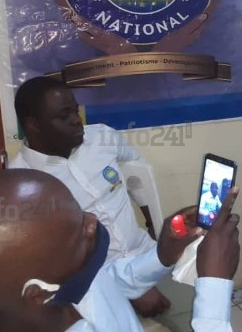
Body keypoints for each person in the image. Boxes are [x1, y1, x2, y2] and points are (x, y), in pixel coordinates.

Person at [0, 169, 240, 332]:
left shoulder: (61, 281)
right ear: (38, 293)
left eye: (78, 211)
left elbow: (106, 282)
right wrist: (214, 284)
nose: (91, 222)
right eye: (76, 235)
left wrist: (163, 254)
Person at [9, 77, 168, 317]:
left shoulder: (103, 137)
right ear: (34, 124)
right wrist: (132, 290)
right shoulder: (20, 182)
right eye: (64, 115)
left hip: (148, 254)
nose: (77, 120)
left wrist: (155, 227)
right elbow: (45, 262)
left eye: (76, 110)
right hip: (95, 286)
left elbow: (138, 176)